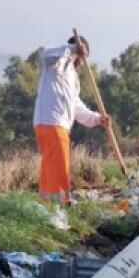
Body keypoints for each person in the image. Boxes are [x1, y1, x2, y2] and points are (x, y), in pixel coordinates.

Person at [33, 36, 110, 200]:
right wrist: (73, 49)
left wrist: (98, 118)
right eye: (83, 56)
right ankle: (60, 208)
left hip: (54, 125)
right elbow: (46, 54)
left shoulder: (72, 77)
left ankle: (46, 206)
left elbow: (76, 107)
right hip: (52, 122)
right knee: (60, 168)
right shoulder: (57, 63)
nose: (83, 62)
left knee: (50, 170)